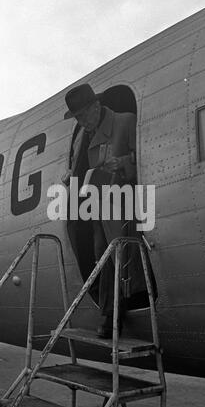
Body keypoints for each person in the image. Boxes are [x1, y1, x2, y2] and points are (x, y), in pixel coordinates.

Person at [63, 83, 144, 338]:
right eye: (77, 117)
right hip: (98, 207)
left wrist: (121, 164)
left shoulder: (125, 122)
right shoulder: (84, 136)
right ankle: (111, 308)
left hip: (122, 205)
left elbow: (142, 157)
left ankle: (111, 317)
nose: (82, 121)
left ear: (96, 107)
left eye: (83, 115)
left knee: (113, 258)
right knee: (100, 255)